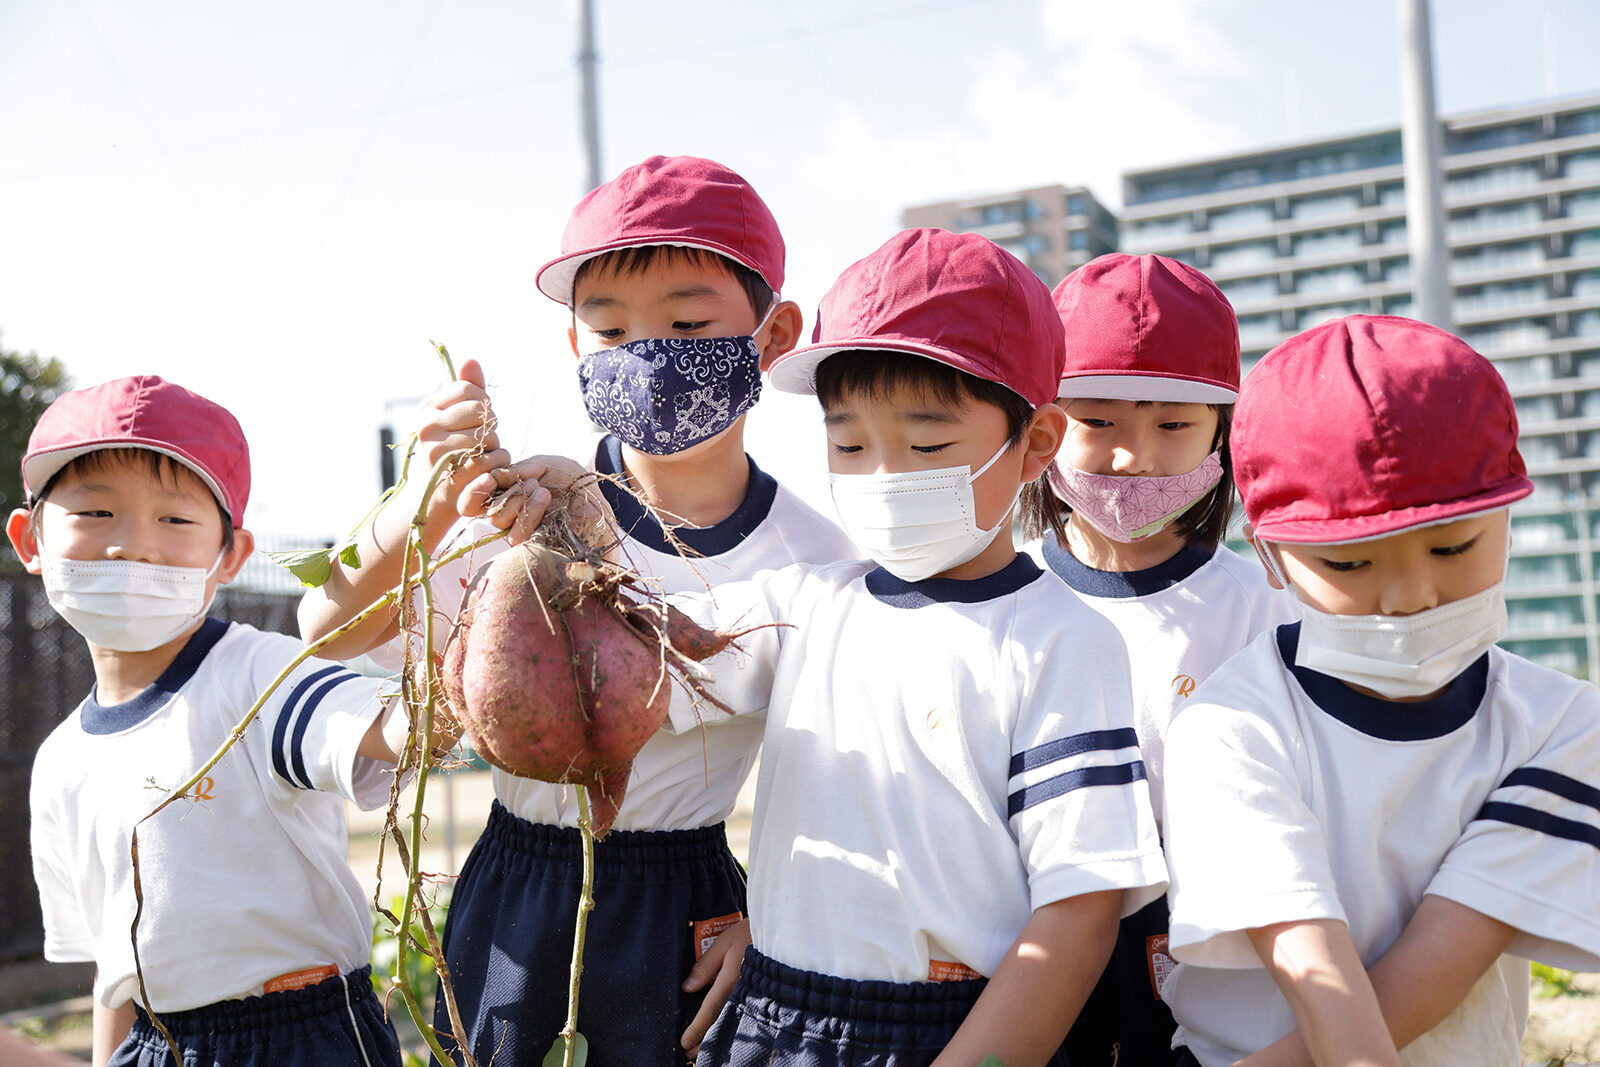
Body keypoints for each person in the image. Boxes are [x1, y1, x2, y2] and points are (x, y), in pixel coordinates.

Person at [297, 154, 855, 1066]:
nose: (646, 351)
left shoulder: (819, 557)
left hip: (690, 901)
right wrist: (426, 505)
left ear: (772, 331)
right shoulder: (525, 519)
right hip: (518, 881)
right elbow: (328, 636)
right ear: (573, 349)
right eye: (610, 330)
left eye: (686, 321)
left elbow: (843, 789)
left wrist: (768, 920)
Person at [666, 228, 1169, 1067]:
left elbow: (1081, 909)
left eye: (928, 445)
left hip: (963, 1029)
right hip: (779, 1014)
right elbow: (646, 664)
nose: (882, 476)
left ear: (1037, 443)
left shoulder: (1062, 640)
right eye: (849, 444)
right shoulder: (805, 600)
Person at [1161, 315, 1600, 1066]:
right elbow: (1313, 967)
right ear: (1268, 554)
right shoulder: (1231, 727)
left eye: (1453, 545)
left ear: (1508, 516)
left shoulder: (1562, 721)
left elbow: (1438, 961)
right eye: (1351, 565)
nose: (1410, 594)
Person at [7, 376, 431, 1067]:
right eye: (95, 512)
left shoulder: (259, 674)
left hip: (303, 1038)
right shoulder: (60, 762)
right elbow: (114, 971)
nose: (132, 546)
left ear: (230, 555)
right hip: (155, 1043)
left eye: (174, 520)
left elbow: (391, 728)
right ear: (30, 538)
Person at [1017, 252, 1293, 1067]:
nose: (1132, 457)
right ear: (1043, 421)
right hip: (1026, 931)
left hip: (1204, 942)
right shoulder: (1004, 593)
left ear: (1223, 433)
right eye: (1096, 421)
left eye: (1173, 424)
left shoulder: (1267, 607)